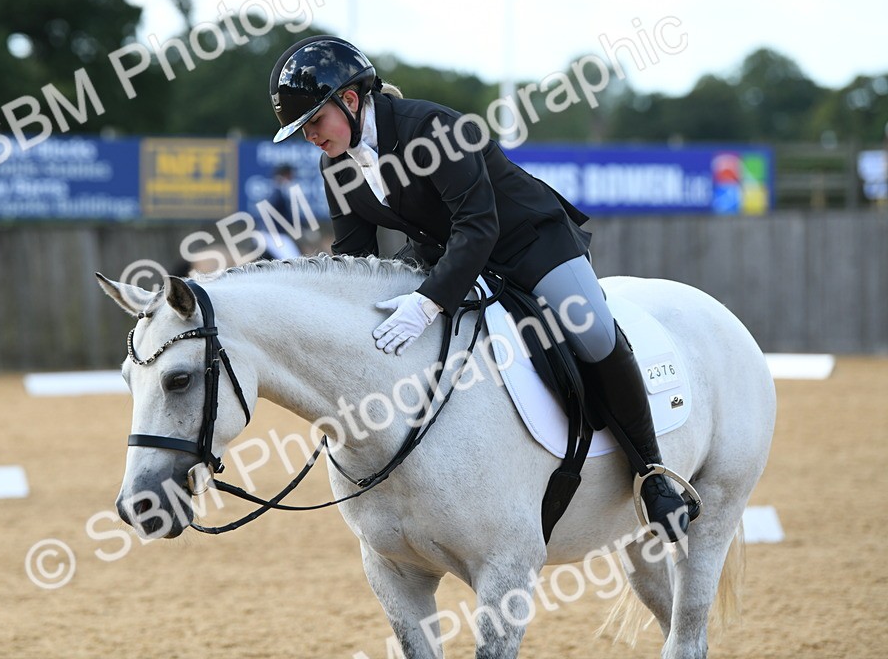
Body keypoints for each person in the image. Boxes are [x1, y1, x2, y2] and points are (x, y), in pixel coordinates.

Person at [268, 34, 692, 541]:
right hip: (446, 254)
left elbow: (478, 224)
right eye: (302, 129)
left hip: (528, 242)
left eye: (314, 121)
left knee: (594, 331)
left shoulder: (432, 129)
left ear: (351, 100)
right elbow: (356, 259)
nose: (311, 136)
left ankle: (652, 472)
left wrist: (427, 303)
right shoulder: (335, 165)